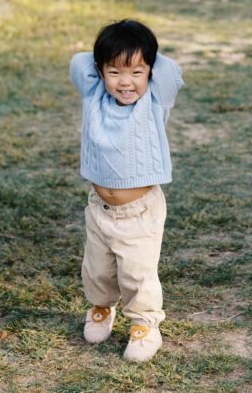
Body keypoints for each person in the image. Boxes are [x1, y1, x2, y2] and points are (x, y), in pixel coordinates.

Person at [70, 20, 184, 361]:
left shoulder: (153, 103)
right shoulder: (95, 97)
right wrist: (114, 54)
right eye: (114, 71)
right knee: (98, 268)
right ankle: (101, 308)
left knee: (137, 272)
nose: (126, 81)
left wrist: (144, 52)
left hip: (140, 212)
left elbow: (169, 69)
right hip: (99, 208)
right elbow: (79, 62)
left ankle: (146, 326)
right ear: (100, 72)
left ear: (150, 71)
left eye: (137, 71)